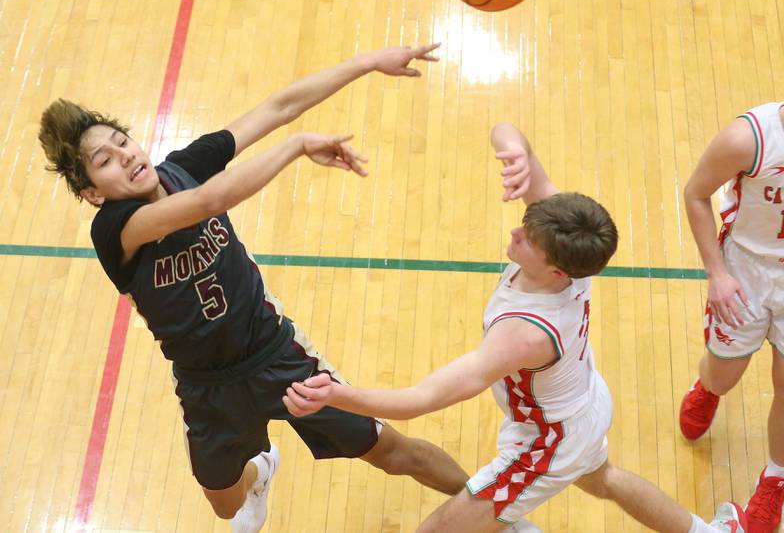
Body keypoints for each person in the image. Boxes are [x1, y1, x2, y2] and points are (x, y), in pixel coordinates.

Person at [38, 43, 470, 533]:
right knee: (226, 506)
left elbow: (278, 107)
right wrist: (297, 145)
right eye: (105, 161)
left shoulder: (182, 167)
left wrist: (367, 62)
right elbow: (210, 200)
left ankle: (499, 510)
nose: (126, 155)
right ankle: (260, 471)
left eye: (123, 142)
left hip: (274, 353)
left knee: (393, 453)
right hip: (207, 386)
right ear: (93, 193)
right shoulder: (116, 229)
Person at [284, 122, 749, 533]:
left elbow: (420, 399)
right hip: (583, 404)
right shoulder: (567, 239)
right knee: (603, 480)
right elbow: (505, 127)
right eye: (524, 226)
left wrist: (338, 396)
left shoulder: (524, 335)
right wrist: (516, 153)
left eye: (526, 240)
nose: (515, 234)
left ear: (557, 273)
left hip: (546, 441)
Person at [679, 43, 784, 533]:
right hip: (745, 269)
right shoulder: (747, 138)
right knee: (726, 376)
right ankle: (708, 387)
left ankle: (774, 479)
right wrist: (717, 274)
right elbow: (695, 194)